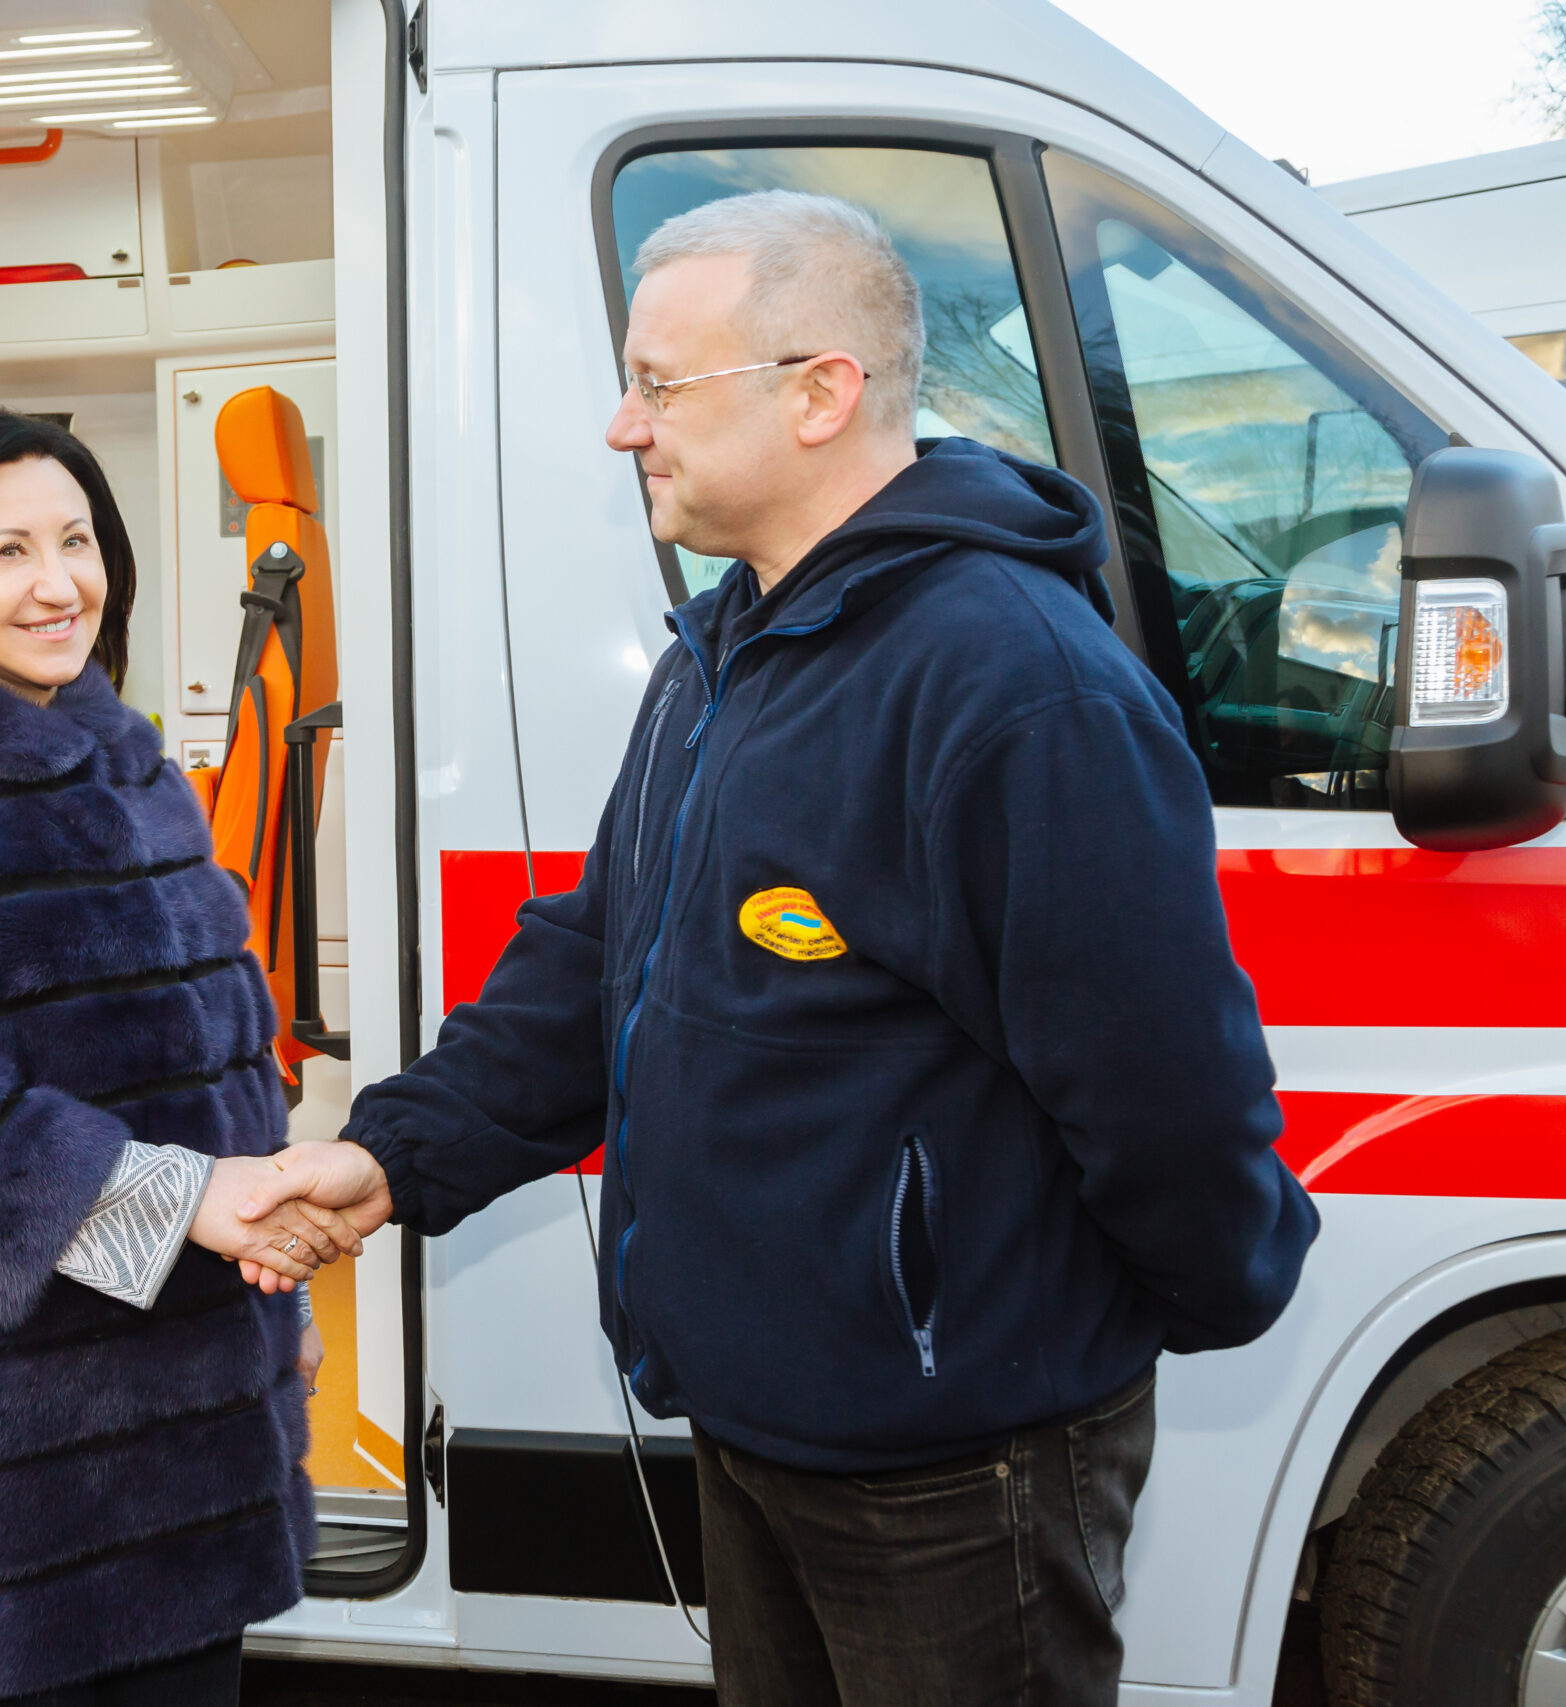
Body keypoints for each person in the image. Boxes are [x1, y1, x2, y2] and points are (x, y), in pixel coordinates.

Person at [234, 190, 1321, 1702]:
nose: (625, 426)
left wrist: (1138, 1322)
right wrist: (386, 1157)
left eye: (660, 386)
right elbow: (597, 964)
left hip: (955, 1465)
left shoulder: (1015, 683)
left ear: (822, 393)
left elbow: (1160, 1082)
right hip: (759, 1425)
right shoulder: (723, 654)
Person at [0, 406, 362, 1707]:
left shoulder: (136, 774)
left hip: (197, 1411)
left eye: (77, 541)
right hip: (14, 1449)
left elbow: (222, 1063)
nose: (59, 585)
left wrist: (277, 1295)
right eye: (8, 552)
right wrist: (185, 1204)